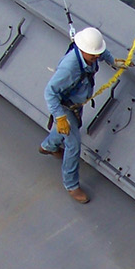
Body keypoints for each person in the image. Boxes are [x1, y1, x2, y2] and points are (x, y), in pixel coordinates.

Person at [41, 27, 117, 204]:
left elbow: (101, 51)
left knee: (66, 132)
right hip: (65, 107)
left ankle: (48, 146)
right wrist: (60, 117)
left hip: (76, 103)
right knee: (73, 145)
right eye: (93, 56)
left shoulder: (90, 53)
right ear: (83, 50)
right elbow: (50, 92)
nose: (96, 58)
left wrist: (113, 60)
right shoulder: (69, 68)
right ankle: (71, 186)